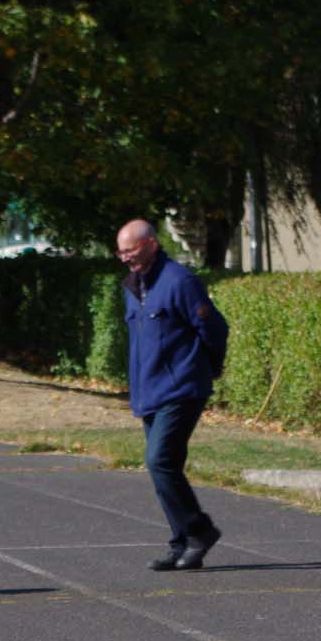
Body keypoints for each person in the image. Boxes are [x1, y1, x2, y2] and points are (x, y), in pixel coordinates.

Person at [116, 218, 229, 571]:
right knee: (164, 467)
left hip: (181, 388)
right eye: (120, 252)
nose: (124, 258)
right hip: (149, 391)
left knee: (159, 460)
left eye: (130, 250)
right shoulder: (133, 286)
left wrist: (206, 367)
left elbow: (214, 328)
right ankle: (181, 542)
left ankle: (199, 531)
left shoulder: (180, 281)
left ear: (151, 243)